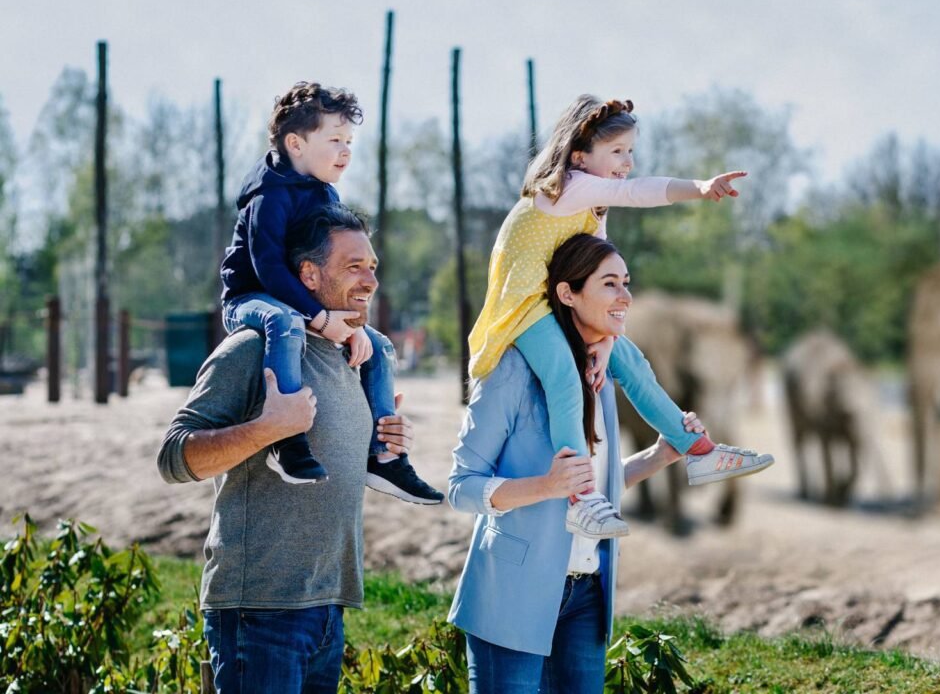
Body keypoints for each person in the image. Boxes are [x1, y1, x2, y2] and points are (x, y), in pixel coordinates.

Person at [450, 234, 751, 693]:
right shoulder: (511, 370)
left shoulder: (603, 372)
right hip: (511, 595)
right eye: (610, 284)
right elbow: (461, 486)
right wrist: (546, 486)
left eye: (627, 283)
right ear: (568, 293)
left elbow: (598, 485)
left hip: (588, 593)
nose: (626, 297)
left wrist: (659, 455)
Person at [467, 95, 772, 538]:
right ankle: (581, 498)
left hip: (558, 299)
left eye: (631, 152)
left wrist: (608, 337)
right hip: (523, 306)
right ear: (579, 155)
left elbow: (601, 262)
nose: (627, 162)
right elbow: (637, 191)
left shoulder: (593, 208)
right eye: (617, 152)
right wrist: (700, 187)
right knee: (565, 376)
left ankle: (696, 450)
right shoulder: (571, 186)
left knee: (632, 362)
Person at [159, 205, 422, 694]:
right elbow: (173, 457)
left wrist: (385, 443)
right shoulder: (252, 348)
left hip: (329, 605)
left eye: (373, 267)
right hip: (259, 610)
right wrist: (267, 428)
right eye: (354, 267)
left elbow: (342, 460)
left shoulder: (354, 356)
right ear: (308, 273)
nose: (370, 280)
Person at [219, 81, 441, 504]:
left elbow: (326, 267)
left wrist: (352, 325)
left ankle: (384, 457)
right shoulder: (269, 195)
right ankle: (288, 439)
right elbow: (268, 270)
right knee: (283, 321)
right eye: (335, 139)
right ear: (296, 143)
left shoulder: (325, 193)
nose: (346, 151)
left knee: (378, 344)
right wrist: (321, 320)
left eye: (350, 141)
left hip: (295, 300)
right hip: (250, 299)